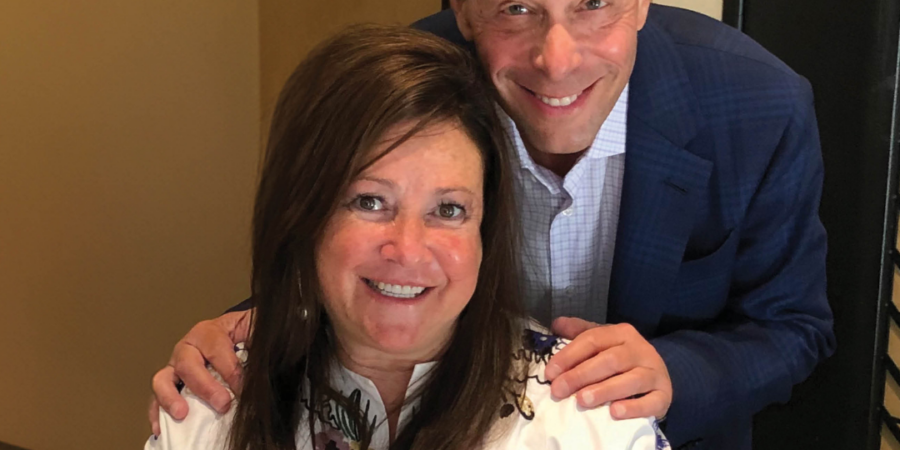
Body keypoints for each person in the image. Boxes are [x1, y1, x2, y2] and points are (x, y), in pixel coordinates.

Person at [150, 2, 836, 449]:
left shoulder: (760, 108)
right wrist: (252, 324)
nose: (557, 57)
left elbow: (794, 326)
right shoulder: (418, 79)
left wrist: (672, 376)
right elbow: (340, 233)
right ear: (468, 11)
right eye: (516, 7)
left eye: (593, 3)